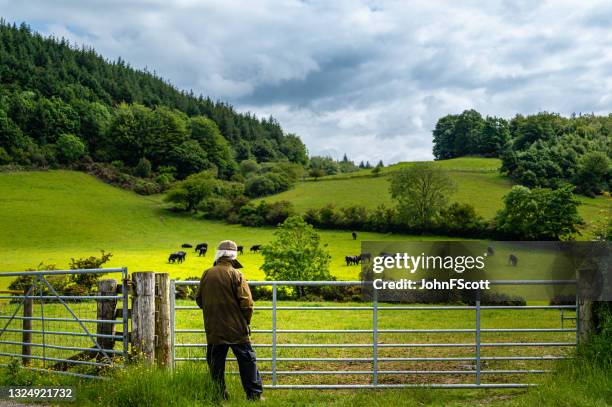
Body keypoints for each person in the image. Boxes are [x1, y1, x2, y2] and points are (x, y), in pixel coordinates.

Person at [196, 240, 263, 401]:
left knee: (215, 362)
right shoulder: (236, 274)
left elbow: (199, 299)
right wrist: (245, 321)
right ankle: (253, 395)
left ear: (218, 255)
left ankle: (219, 395)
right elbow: (247, 303)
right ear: (233, 257)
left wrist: (213, 311)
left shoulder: (207, 273)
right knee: (247, 360)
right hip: (236, 328)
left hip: (214, 327)